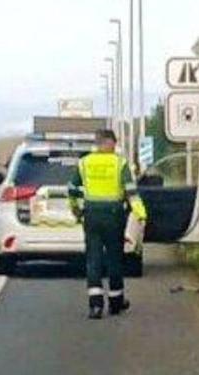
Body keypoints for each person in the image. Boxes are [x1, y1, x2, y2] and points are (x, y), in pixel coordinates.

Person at [68, 129, 148, 319]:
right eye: (114, 143)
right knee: (114, 258)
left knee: (93, 258)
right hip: (113, 214)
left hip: (92, 214)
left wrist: (77, 210)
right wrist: (141, 214)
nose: (115, 146)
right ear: (109, 143)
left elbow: (72, 189)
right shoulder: (119, 162)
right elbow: (131, 192)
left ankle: (95, 305)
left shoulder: (84, 163)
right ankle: (116, 302)